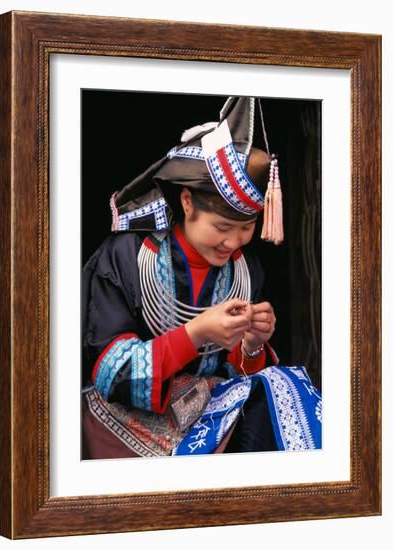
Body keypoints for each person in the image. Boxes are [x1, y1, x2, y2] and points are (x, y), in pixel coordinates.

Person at [81, 96, 321, 459]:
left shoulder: (245, 269)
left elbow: (236, 373)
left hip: (209, 411)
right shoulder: (125, 256)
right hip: (127, 420)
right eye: (222, 226)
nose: (233, 241)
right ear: (188, 202)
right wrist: (196, 334)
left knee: (283, 389)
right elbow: (109, 374)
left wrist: (252, 345)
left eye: (247, 227)